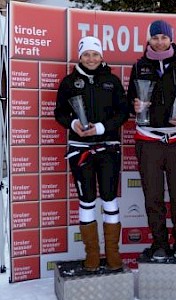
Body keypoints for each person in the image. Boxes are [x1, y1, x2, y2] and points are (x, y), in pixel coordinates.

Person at [55, 36, 130, 271]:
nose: (91, 58)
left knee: (109, 198)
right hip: (80, 151)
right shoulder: (69, 82)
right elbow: (59, 113)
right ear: (80, 56)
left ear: (101, 56)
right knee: (87, 200)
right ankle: (92, 255)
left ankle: (112, 253)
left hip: (108, 148)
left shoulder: (112, 81)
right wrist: (73, 123)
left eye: (95, 54)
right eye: (86, 54)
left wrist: (101, 128)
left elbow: (123, 114)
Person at [127, 20, 176, 260]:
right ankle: (159, 242)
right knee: (153, 196)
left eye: (164, 38)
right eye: (155, 37)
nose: (159, 42)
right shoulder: (139, 66)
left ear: (171, 40)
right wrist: (134, 106)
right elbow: (129, 101)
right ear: (149, 40)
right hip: (148, 140)